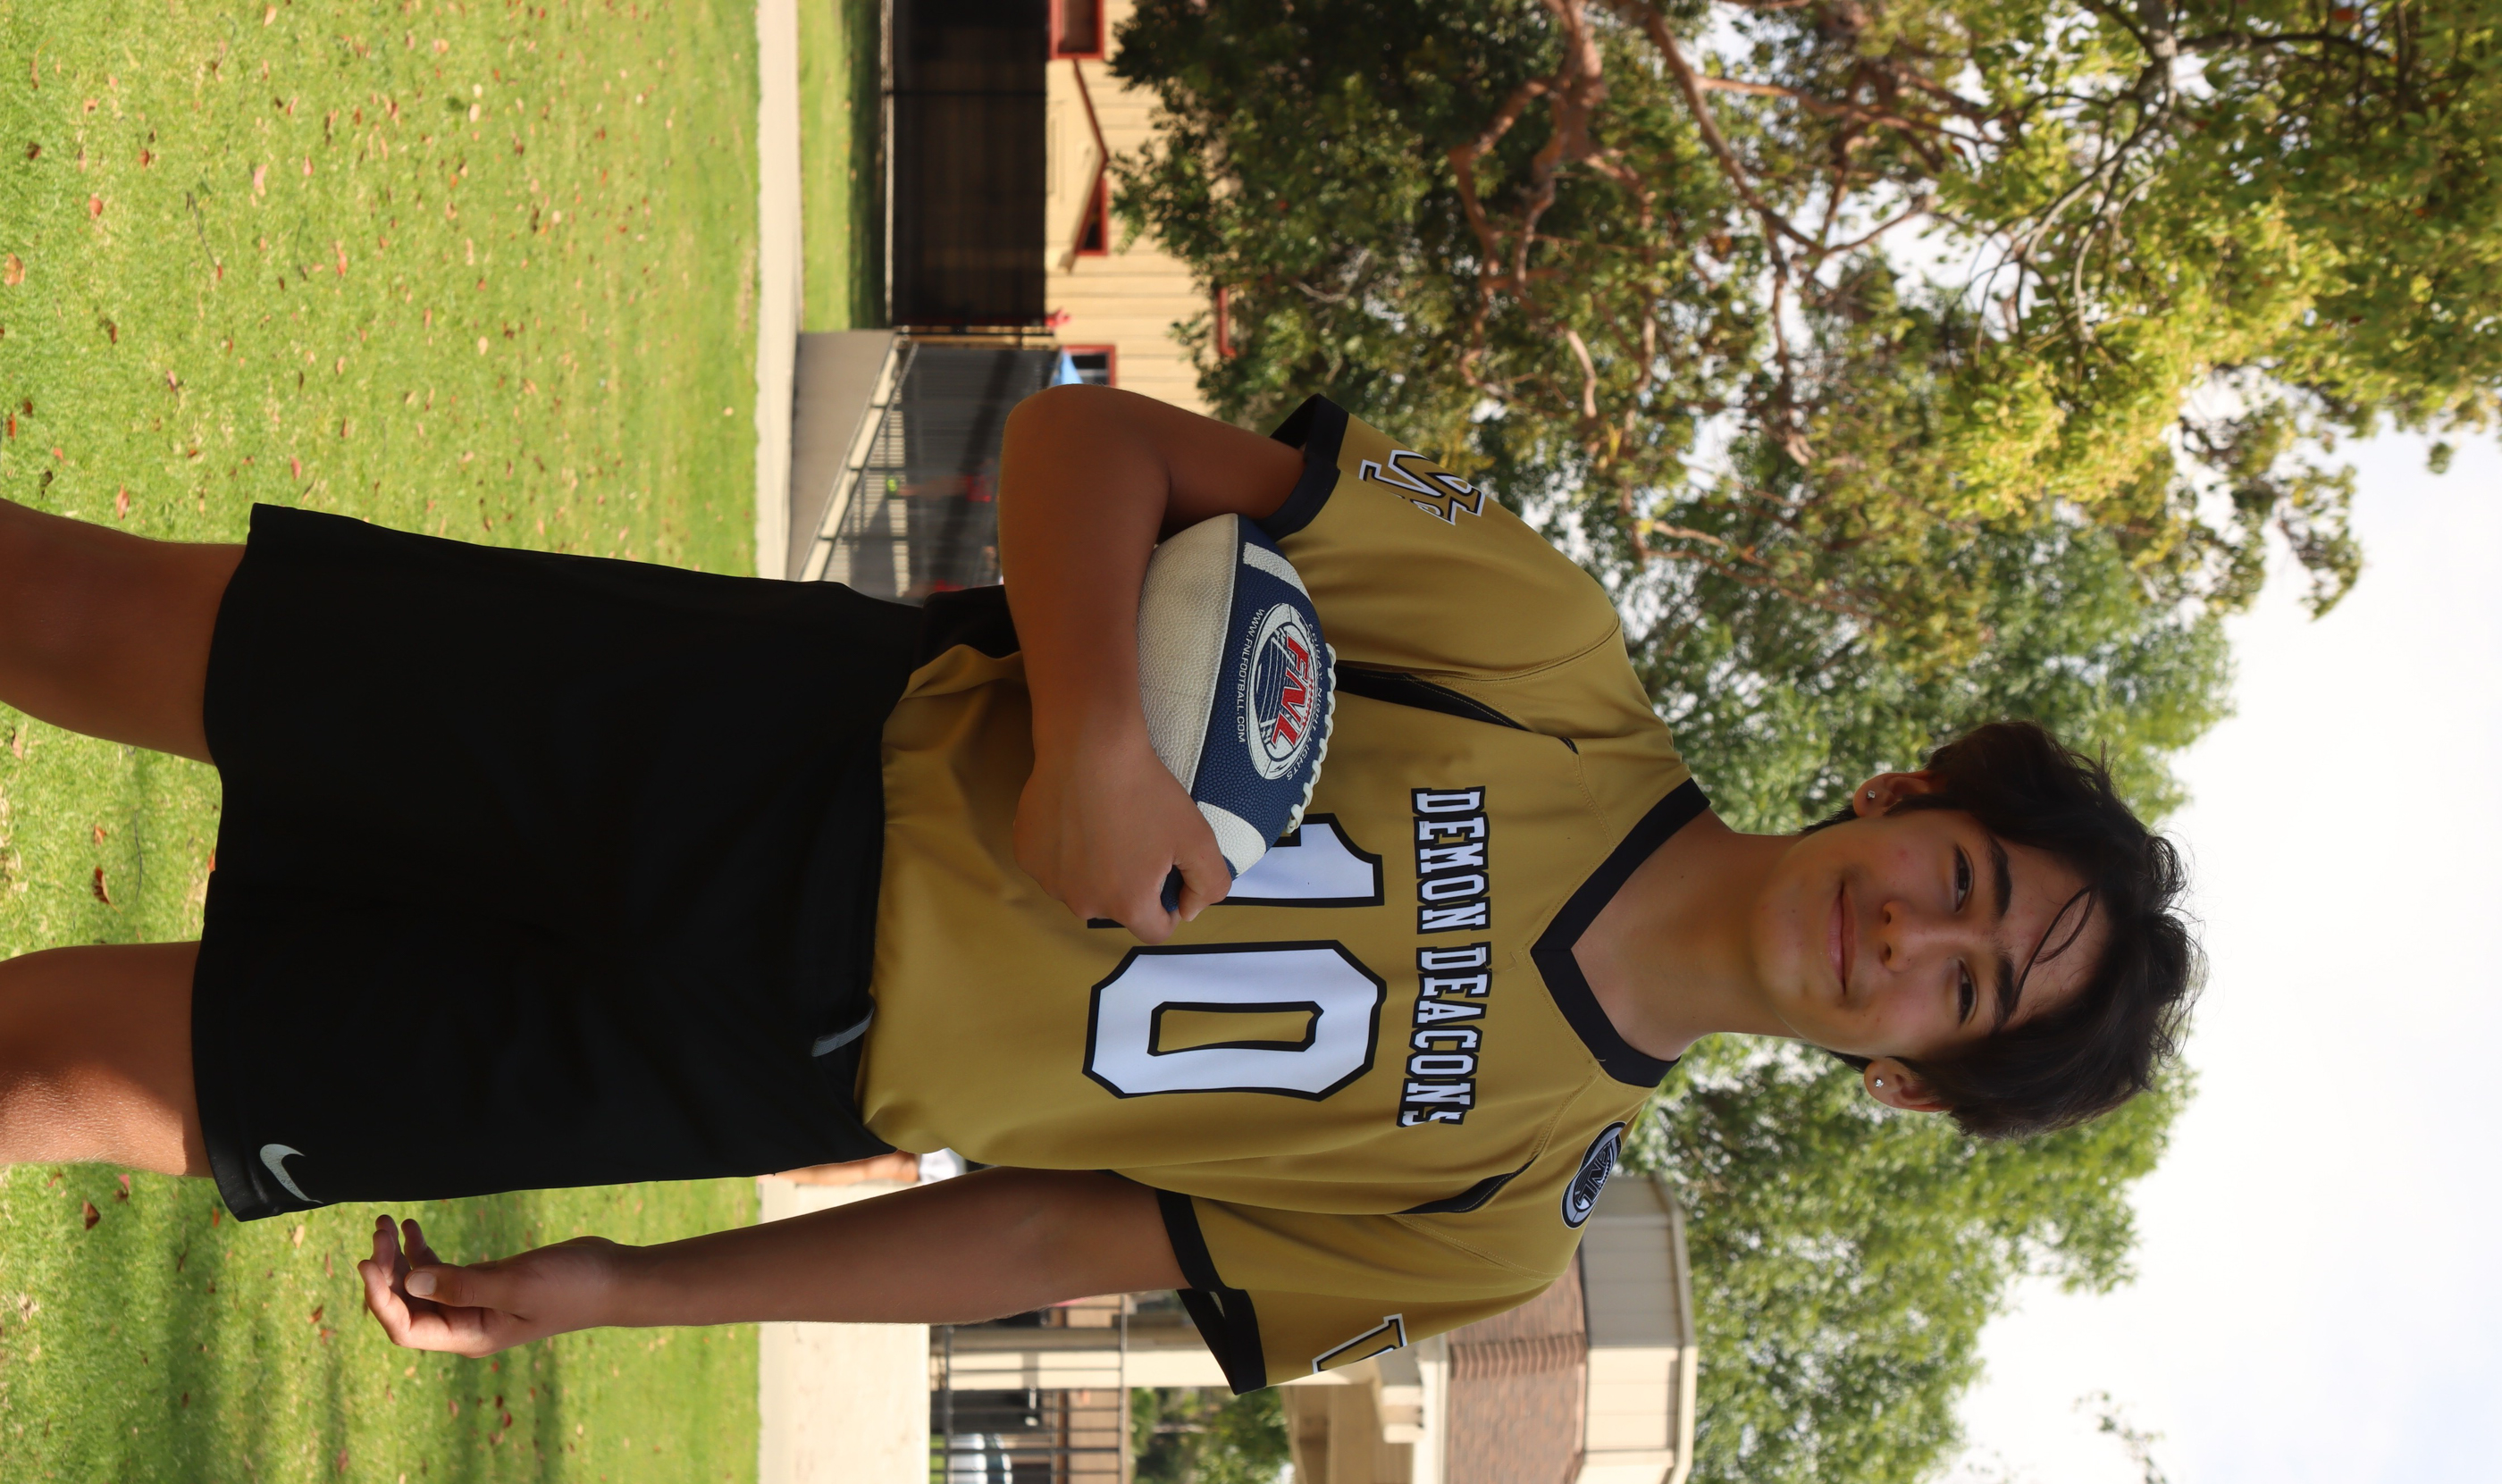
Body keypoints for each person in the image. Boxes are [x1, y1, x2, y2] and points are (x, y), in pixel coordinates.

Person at [0, 386, 2195, 1390]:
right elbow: (1091, 446)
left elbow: (1051, 1233)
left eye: (1963, 991)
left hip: (763, 1057)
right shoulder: (1544, 649)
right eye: (1959, 877)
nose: (1912, 934)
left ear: (1904, 1083)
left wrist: (633, 1290)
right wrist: (1097, 740)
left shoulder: (1495, 1220)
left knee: (78, 1075)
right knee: (94, 622)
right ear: (1903, 793)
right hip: (765, 741)